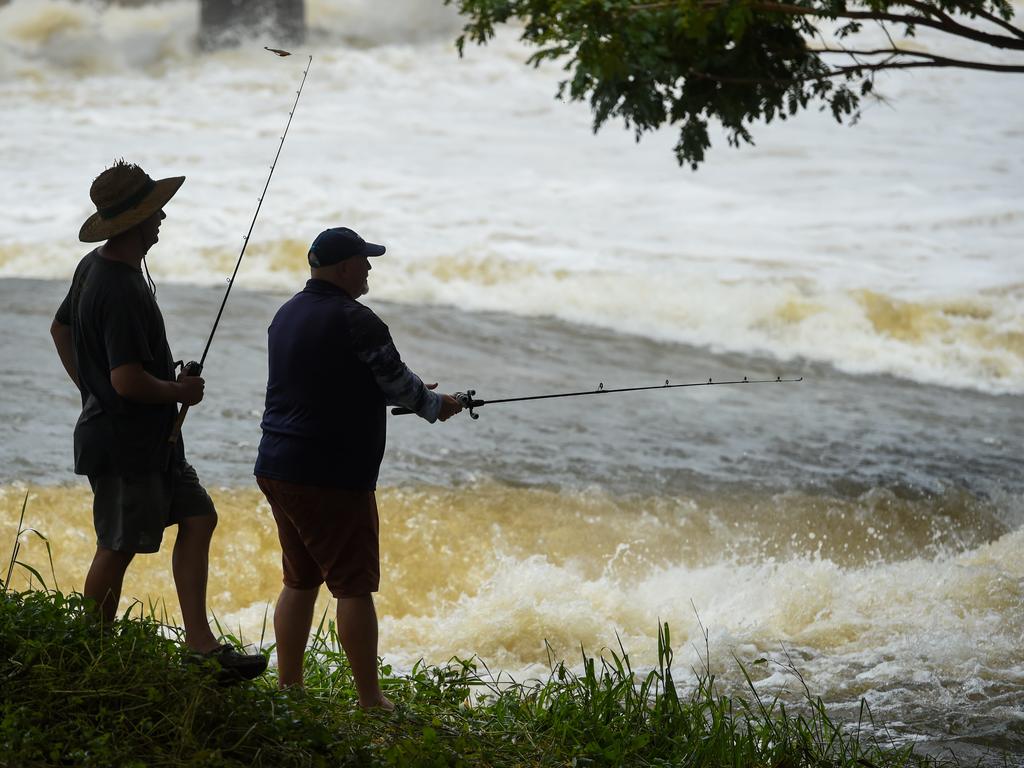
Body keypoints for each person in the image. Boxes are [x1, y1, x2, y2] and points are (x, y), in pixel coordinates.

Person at [50, 159, 266, 681]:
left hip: (149, 438)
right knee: (118, 545)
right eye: (155, 210)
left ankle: (201, 646)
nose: (163, 217)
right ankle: (91, 654)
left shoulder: (97, 268)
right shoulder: (119, 287)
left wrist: (93, 389)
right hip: (126, 443)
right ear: (135, 221)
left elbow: (60, 330)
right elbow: (126, 380)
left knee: (198, 517)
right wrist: (178, 390)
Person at [254, 226, 462, 708]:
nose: (369, 268)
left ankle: (290, 690)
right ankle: (371, 701)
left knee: (300, 579)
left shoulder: (285, 315)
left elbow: (333, 379)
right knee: (353, 586)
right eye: (363, 261)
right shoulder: (358, 319)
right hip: (330, 474)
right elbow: (401, 386)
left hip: (277, 465)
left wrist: (408, 393)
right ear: (344, 267)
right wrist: (436, 404)